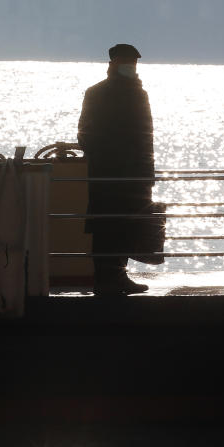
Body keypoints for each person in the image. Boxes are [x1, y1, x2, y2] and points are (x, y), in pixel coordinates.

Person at [78, 43, 155, 295]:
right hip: (107, 174)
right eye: (126, 63)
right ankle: (105, 279)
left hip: (130, 176)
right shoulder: (96, 93)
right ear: (112, 64)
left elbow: (147, 138)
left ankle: (118, 277)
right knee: (105, 226)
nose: (130, 68)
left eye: (132, 64)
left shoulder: (139, 94)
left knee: (125, 226)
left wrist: (148, 174)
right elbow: (84, 135)